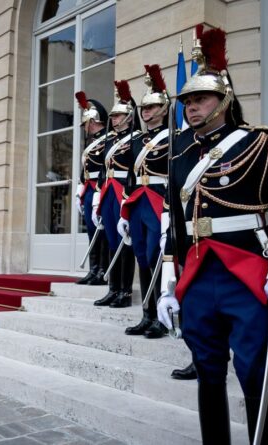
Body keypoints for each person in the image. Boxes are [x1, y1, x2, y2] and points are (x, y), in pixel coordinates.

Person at [157, 25, 268, 444]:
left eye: (201, 99)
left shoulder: (259, 145)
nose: (192, 108)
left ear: (224, 99)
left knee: (254, 374)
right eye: (188, 101)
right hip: (197, 276)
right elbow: (176, 226)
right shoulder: (178, 154)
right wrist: (169, 286)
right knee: (208, 372)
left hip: (247, 274)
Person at [118, 64, 170, 338]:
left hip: (160, 200)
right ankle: (147, 314)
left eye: (151, 108)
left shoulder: (172, 137)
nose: (146, 112)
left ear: (163, 109)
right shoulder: (136, 139)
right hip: (138, 200)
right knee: (141, 256)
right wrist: (123, 212)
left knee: (156, 256)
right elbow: (129, 175)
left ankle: (163, 317)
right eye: (144, 109)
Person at [92, 80, 140, 308]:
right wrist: (96, 198)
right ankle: (113, 288)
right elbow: (102, 170)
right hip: (109, 190)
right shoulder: (110, 140)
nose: (114, 119)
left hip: (124, 190)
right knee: (112, 239)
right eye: (113, 116)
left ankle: (125, 291)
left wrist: (128, 195)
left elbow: (134, 169)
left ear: (129, 117)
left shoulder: (136, 138)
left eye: (119, 116)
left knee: (125, 241)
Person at [74, 91, 110, 286]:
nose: (84, 128)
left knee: (101, 231)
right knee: (91, 230)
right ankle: (93, 269)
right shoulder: (91, 142)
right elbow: (86, 168)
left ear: (93, 121)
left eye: (85, 123)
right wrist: (81, 187)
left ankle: (103, 269)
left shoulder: (107, 140)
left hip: (101, 188)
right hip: (89, 189)